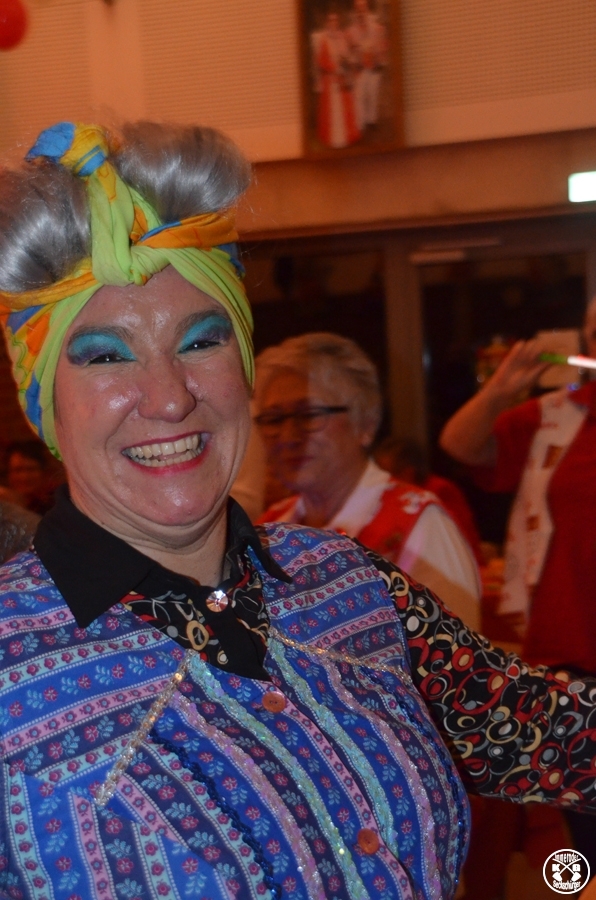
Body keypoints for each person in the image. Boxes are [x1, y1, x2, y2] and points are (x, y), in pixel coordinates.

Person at [0, 122, 595, 900]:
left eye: (201, 341)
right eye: (107, 355)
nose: (170, 396)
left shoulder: (351, 585)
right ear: (45, 402)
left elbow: (559, 736)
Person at [439, 318, 596, 867]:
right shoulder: (561, 414)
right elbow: (460, 443)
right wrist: (503, 387)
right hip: (572, 653)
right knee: (587, 830)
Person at [255, 332, 482, 629]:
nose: (288, 436)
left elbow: (456, 651)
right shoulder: (269, 530)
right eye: (273, 419)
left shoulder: (417, 522)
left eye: (309, 415)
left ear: (367, 423)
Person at [374, 435, 484, 567]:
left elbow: (459, 547)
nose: (382, 482)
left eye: (387, 475)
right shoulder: (387, 498)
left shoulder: (439, 492)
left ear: (408, 473)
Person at [311, 11, 360, 149]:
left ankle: (346, 137)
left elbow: (347, 55)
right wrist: (333, 67)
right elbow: (320, 60)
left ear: (338, 22)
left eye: (336, 20)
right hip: (330, 79)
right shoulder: (323, 40)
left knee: (345, 107)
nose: (333, 23)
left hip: (342, 78)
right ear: (328, 23)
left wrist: (346, 63)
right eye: (331, 20)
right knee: (332, 109)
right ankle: (333, 138)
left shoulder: (342, 37)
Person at [345, 0, 387, 132]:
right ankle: (360, 123)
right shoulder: (350, 31)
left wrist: (379, 57)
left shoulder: (377, 28)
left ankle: (371, 121)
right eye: (358, 8)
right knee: (359, 96)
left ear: (367, 9)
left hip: (374, 66)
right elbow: (348, 52)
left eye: (363, 8)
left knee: (372, 94)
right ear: (355, 11)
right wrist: (353, 65)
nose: (361, 11)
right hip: (359, 68)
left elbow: (383, 46)